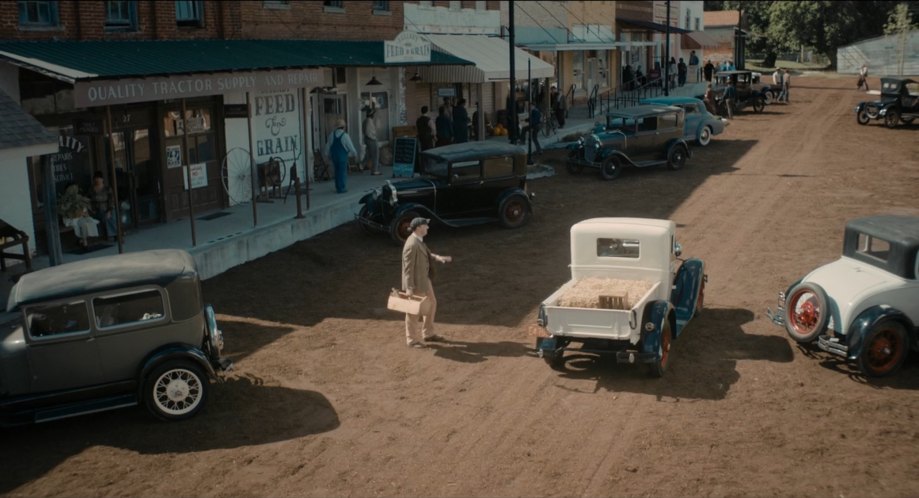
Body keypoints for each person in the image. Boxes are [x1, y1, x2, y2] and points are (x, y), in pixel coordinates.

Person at [401, 217, 452, 347]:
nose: (428, 227)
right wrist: (409, 288)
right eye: (425, 225)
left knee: (432, 302)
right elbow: (408, 269)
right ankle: (411, 340)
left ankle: (428, 333)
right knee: (413, 311)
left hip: (424, 279)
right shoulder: (411, 244)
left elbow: (427, 253)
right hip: (416, 283)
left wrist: (438, 257)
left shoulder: (418, 240)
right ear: (418, 228)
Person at [323, 118, 358, 193]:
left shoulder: (331, 135)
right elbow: (350, 146)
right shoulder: (345, 136)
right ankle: (342, 188)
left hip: (334, 157)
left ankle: (337, 187)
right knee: (342, 172)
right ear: (344, 127)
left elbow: (327, 146)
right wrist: (354, 154)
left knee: (337, 172)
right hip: (342, 157)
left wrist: (326, 155)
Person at [90, 171, 117, 241]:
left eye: (99, 178)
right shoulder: (91, 190)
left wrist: (109, 210)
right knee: (100, 216)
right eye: (96, 179)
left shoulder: (107, 189)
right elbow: (89, 200)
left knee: (108, 217)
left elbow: (111, 201)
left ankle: (115, 234)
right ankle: (107, 235)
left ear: (102, 179)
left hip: (107, 208)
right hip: (96, 210)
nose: (97, 180)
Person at [362, 107, 381, 175]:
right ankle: (374, 170)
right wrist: (373, 138)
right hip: (371, 140)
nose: (374, 115)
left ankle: (361, 165)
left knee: (368, 155)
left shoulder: (365, 120)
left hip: (367, 139)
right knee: (375, 155)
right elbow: (368, 132)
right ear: (371, 114)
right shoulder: (369, 121)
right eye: (373, 114)